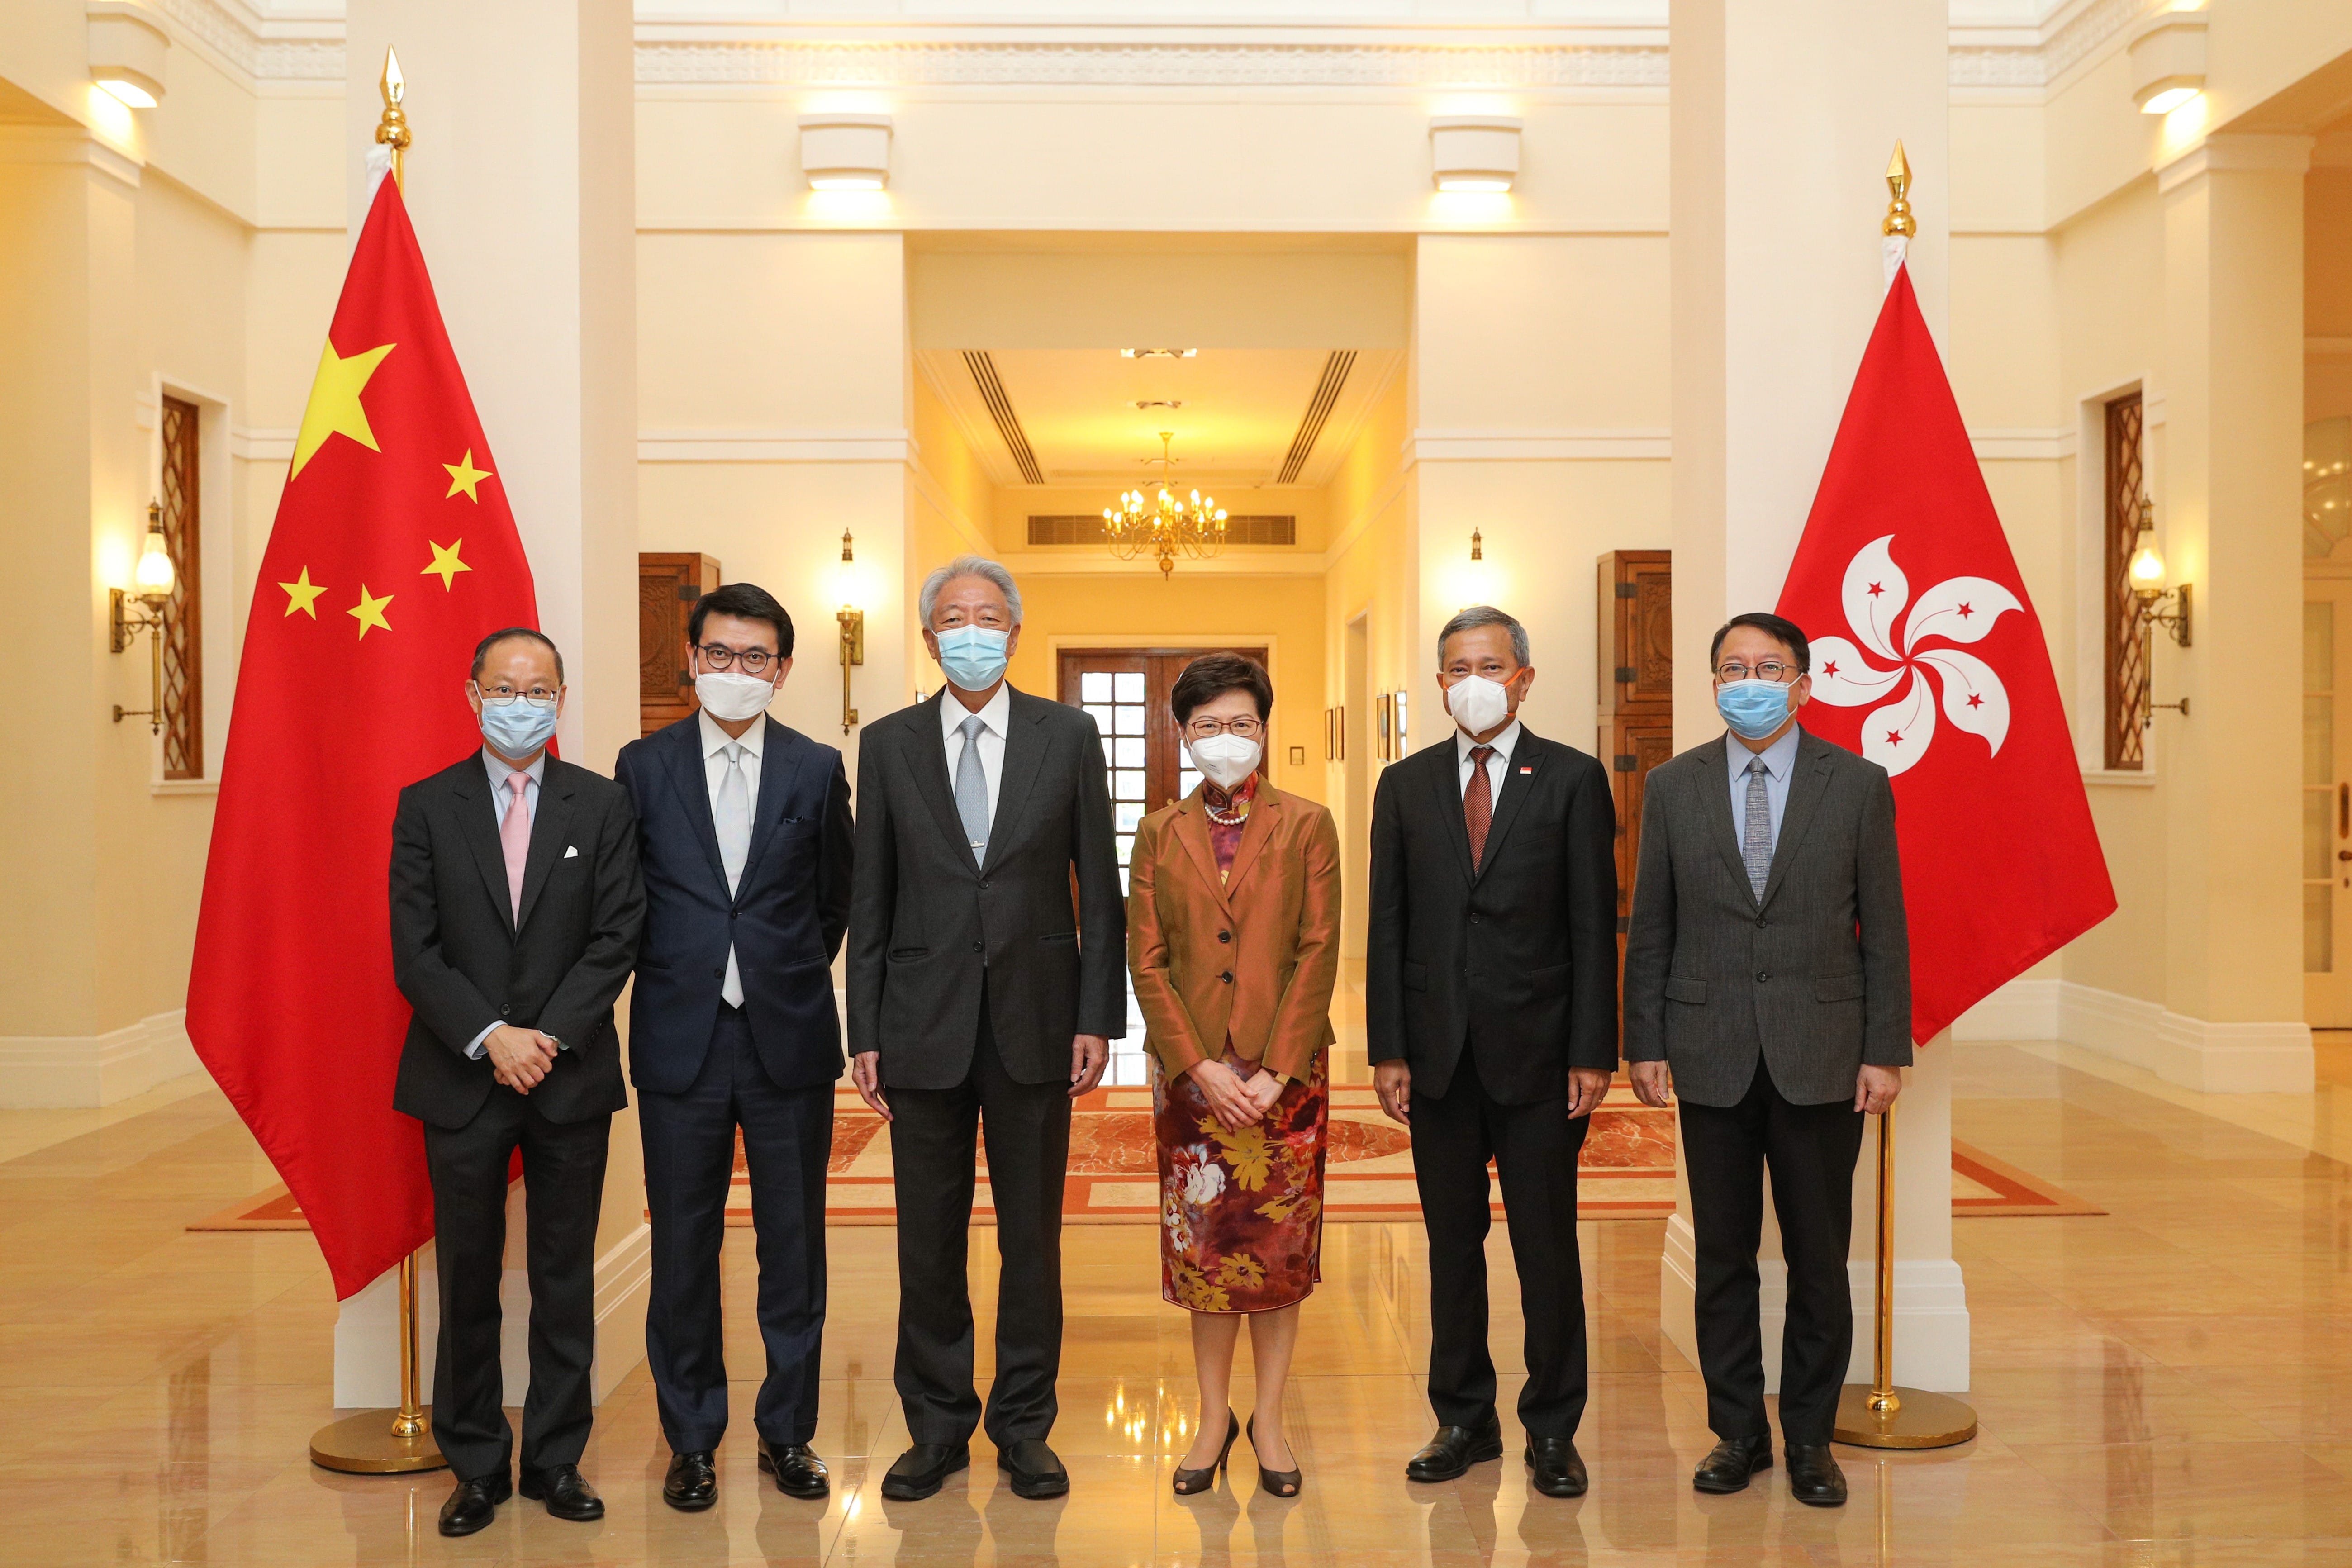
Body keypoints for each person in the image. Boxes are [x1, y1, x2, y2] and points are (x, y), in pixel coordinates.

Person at [846, 555, 1127, 1502]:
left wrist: (1098, 1014)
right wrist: (864, 1027)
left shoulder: (1069, 733)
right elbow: (869, 895)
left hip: (1037, 1021)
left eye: (989, 615)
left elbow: (1101, 884)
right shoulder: (886, 744)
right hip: (918, 1025)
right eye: (953, 616)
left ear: (1013, 630)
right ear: (929, 638)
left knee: (1030, 1238)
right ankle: (934, 1426)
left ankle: (1023, 1425)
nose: (972, 629)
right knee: (925, 1238)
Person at [1622, 611, 1910, 1509]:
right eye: (1730, 667)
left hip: (1821, 1052)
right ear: (1712, 683)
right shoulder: (1673, 786)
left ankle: (1811, 1438)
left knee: (1819, 1257)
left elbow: (1884, 930)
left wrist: (1883, 1048)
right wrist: (1645, 1038)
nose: (1747, 680)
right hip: (1706, 1050)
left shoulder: (1857, 784)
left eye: (1766, 666)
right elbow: (1653, 922)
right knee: (1722, 1254)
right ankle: (1736, 1431)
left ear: (1803, 681)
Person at [389, 627, 644, 1537]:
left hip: (567, 1075)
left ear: (561, 699)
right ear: (472, 693)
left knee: (563, 1274)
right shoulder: (426, 805)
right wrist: (492, 1036)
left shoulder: (602, 804)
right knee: (467, 1276)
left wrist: (545, 1038)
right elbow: (414, 953)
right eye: (505, 684)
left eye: (539, 687)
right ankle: (474, 1464)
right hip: (461, 1076)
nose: (521, 699)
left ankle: (556, 1458)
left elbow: (617, 936)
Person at [1365, 604, 1618, 1500]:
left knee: (1546, 1247)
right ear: (1438, 683)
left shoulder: (1573, 779)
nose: (1471, 678)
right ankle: (1461, 1416)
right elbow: (1386, 924)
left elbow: (1593, 924)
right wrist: (1386, 1048)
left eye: (1488, 663)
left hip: (1542, 1054)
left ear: (1522, 677)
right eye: (1455, 665)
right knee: (1450, 1244)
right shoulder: (1403, 785)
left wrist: (1595, 1049)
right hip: (1435, 1057)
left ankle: (1552, 1426)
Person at [613, 582, 854, 1512]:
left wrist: (777, 969)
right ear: (691, 659)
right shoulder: (642, 766)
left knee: (793, 1245)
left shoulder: (813, 766)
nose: (736, 671)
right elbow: (625, 899)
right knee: (684, 1244)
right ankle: (692, 1437)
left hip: (786, 1037)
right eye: (720, 654)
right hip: (680, 1038)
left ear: (782, 670)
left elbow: (835, 896)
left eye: (756, 658)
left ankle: (786, 1431)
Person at [1127, 653, 1341, 1500]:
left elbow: (1320, 949)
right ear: (1184, 735)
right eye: (1209, 725)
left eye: (1242, 724)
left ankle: (1273, 1419)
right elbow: (1147, 960)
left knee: (1279, 1255)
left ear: (1265, 729)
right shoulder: (1156, 832)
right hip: (1192, 1084)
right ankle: (1214, 1418)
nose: (1227, 739)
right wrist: (1198, 1064)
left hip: (1287, 1083)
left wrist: (1278, 1067)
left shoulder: (1308, 824)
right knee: (1208, 1255)